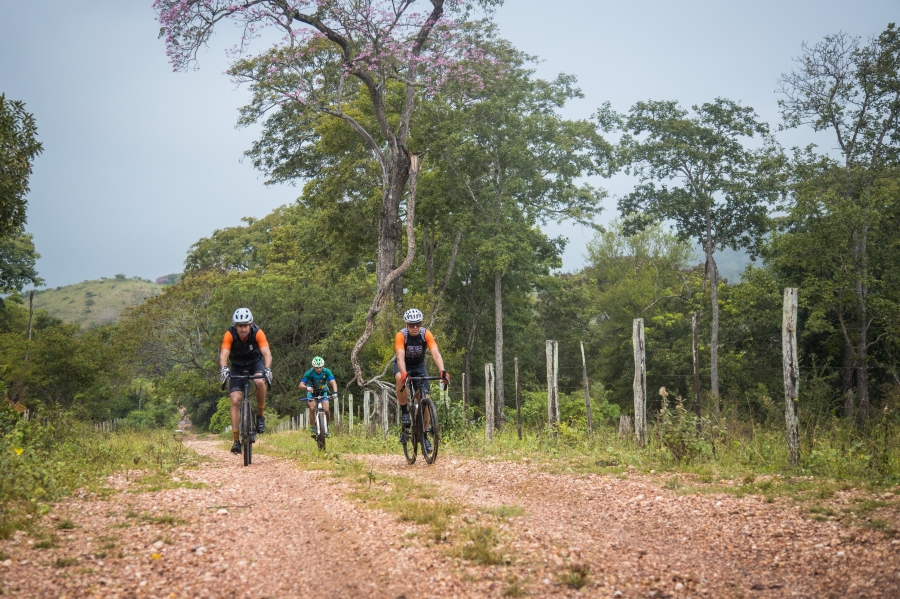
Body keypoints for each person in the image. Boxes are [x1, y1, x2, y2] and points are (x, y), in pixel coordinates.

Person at [219, 308, 273, 454]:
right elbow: (224, 354)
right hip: (236, 366)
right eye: (239, 326)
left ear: (251, 325)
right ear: (235, 326)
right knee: (235, 400)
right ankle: (236, 440)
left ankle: (260, 415)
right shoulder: (229, 334)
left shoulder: (258, 332)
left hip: (255, 362)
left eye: (245, 325)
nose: (243, 329)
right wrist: (224, 368)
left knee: (260, 382)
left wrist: (267, 369)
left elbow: (267, 354)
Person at [394, 308, 449, 452]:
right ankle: (405, 411)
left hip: (419, 367)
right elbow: (400, 356)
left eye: (417, 323)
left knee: (425, 399)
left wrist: (442, 371)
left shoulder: (426, 334)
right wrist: (404, 372)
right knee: (400, 378)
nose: (415, 327)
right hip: (403, 366)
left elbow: (435, 353)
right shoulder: (401, 335)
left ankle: (424, 435)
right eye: (411, 324)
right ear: (406, 324)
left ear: (421, 323)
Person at [299, 356, 338, 437]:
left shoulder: (327, 371)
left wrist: (335, 392)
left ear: (322, 366)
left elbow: (333, 382)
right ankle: (313, 428)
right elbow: (301, 385)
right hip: (312, 392)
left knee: (326, 409)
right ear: (314, 367)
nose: (319, 369)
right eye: (317, 368)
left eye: (320, 367)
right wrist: (307, 387)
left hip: (323, 392)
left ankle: (327, 427)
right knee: (312, 408)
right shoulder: (309, 373)